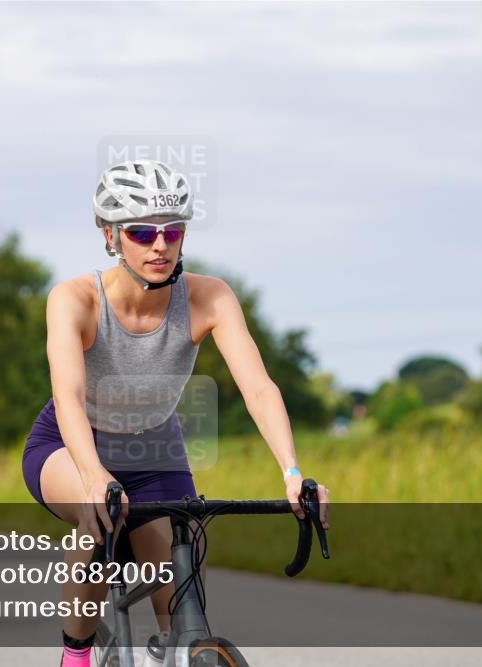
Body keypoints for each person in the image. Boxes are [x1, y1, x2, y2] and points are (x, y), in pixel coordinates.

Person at [22, 159, 331, 667]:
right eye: (142, 232)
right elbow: (70, 395)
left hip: (155, 447)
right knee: (96, 519)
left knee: (185, 609)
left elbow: (257, 387)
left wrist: (292, 471)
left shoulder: (211, 296)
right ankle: (74, 654)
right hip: (70, 442)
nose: (160, 245)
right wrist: (95, 475)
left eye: (172, 230)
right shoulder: (73, 299)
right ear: (110, 234)